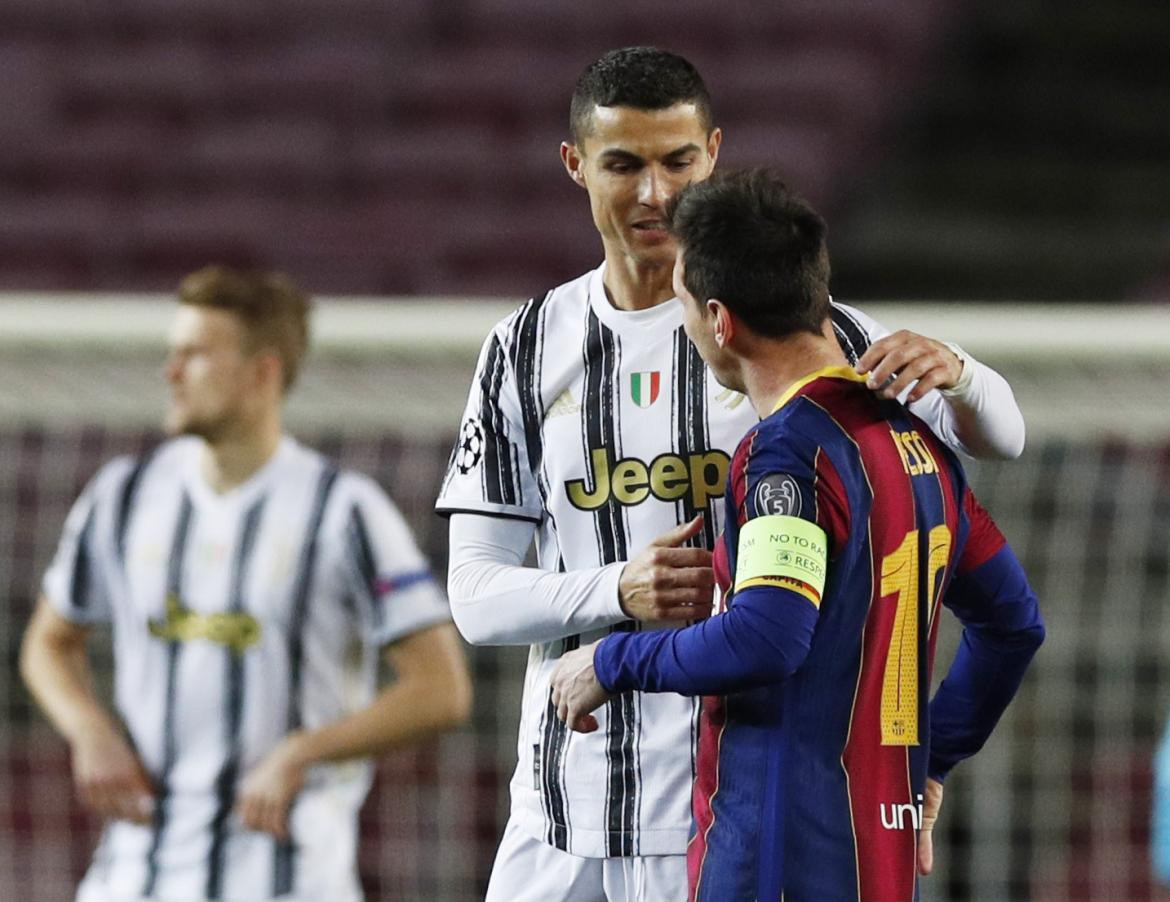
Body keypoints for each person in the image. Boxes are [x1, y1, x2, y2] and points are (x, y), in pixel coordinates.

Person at [436, 47, 1027, 901]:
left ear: (713, 152)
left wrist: (964, 372)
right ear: (575, 166)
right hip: (561, 806)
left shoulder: (805, 334)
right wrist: (618, 589)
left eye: (677, 161)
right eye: (623, 165)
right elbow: (475, 596)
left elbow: (999, 437)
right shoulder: (523, 349)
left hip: (721, 817)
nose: (655, 193)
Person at [549, 168, 1046, 900]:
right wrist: (931, 759)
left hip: (780, 849)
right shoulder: (917, 446)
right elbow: (1013, 625)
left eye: (682, 303)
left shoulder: (788, 452)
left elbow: (767, 637)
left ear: (719, 320)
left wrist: (612, 661)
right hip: (880, 847)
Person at [20, 266, 472, 901]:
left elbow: (441, 691)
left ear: (261, 372)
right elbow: (48, 641)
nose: (170, 372)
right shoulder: (121, 496)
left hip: (287, 873)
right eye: (172, 354)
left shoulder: (341, 510)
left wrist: (302, 751)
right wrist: (87, 728)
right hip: (133, 871)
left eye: (195, 355)